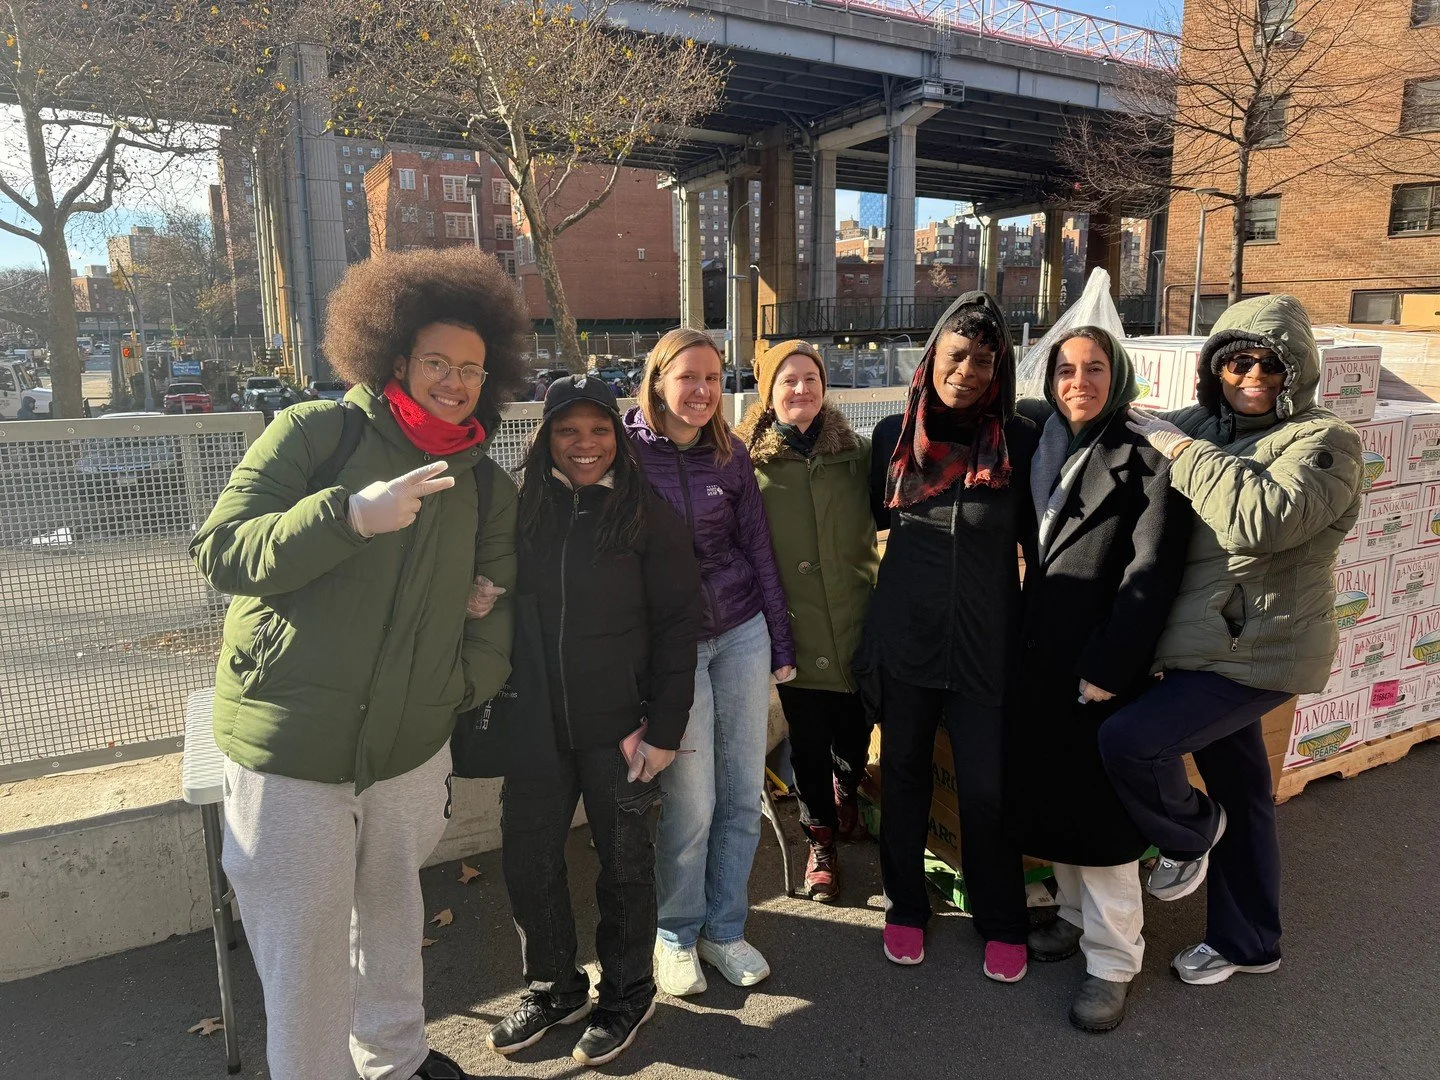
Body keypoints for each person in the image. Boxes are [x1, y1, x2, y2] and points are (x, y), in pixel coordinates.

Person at [190, 247, 529, 1080]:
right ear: (395, 358)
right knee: (302, 951)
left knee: (391, 916)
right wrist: (346, 518)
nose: (456, 382)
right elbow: (221, 551)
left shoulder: (485, 485)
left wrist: (460, 686)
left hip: (411, 751)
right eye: (438, 363)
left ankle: (397, 1060)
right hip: (292, 747)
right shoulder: (317, 433)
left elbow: (499, 600)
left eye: (473, 370)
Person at [1110, 294, 1363, 986]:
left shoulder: (1325, 441)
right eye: (1237, 363)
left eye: (1270, 366)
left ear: (1297, 373)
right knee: (1244, 793)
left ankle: (1189, 834)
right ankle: (1249, 942)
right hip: (1214, 642)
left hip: (1261, 652)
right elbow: (1121, 425)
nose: (1253, 376)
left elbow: (1260, 520)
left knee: (1130, 741)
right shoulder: (1205, 424)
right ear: (1214, 371)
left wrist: (1184, 448)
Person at [488, 375, 702, 1067]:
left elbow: (677, 627)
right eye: (567, 430)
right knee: (529, 860)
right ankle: (555, 988)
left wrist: (665, 730)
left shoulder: (649, 516)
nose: (585, 444)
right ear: (546, 436)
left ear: (620, 435)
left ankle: (627, 993)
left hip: (622, 731)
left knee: (625, 871)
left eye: (599, 429)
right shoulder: (524, 511)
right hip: (536, 730)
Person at [1007, 328, 1192, 1032]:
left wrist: (1112, 669)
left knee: (1103, 822)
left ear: (1117, 376)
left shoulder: (1147, 453)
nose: (1077, 381)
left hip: (1099, 665)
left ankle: (1113, 962)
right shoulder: (1047, 441)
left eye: (1092, 369)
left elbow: (1153, 572)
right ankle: (1075, 921)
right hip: (1042, 657)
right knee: (1057, 800)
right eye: (1065, 369)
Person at [860, 291, 1037, 980]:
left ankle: (1002, 915)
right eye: (956, 355)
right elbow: (870, 530)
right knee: (902, 775)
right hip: (906, 642)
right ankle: (906, 904)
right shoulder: (890, 438)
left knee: (987, 789)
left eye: (983, 360)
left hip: (986, 643)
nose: (967, 371)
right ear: (933, 357)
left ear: (999, 370)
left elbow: (1040, 545)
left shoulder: (1020, 439)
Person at [624, 327, 796, 997]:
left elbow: (759, 552)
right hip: (672, 647)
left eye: (713, 379)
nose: (701, 391)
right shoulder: (629, 456)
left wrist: (779, 644)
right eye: (688, 377)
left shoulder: (731, 458)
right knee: (690, 801)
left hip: (743, 631)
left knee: (739, 792)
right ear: (659, 379)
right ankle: (676, 934)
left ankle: (725, 929)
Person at [736, 339, 878, 903]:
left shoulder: (859, 454)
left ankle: (848, 794)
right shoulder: (747, 464)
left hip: (859, 622)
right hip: (792, 631)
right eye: (788, 380)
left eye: (811, 379)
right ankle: (821, 842)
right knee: (808, 743)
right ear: (768, 395)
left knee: (857, 729)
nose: (802, 389)